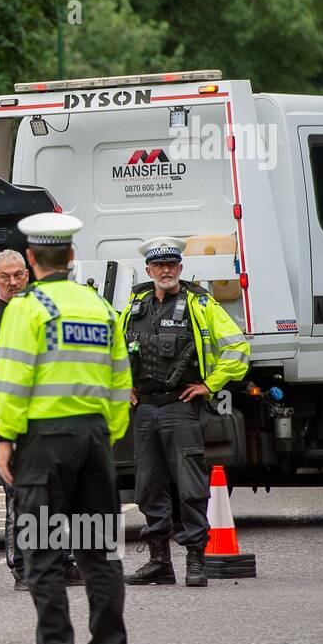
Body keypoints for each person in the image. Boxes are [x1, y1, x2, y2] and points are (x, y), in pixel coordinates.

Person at [0, 213, 131, 644]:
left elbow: (12, 380)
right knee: (100, 553)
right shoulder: (99, 308)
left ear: (31, 261)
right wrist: (106, 436)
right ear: (71, 257)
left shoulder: (26, 309)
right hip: (94, 441)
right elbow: (120, 381)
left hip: (44, 446)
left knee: (43, 551)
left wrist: (5, 439)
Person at [120, 237, 249, 588]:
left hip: (181, 407)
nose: (165, 270)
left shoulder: (199, 304)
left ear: (180, 268)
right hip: (145, 409)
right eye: (158, 265)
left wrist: (210, 383)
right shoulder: (135, 305)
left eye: (171, 265)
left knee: (191, 488)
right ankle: (159, 561)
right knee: (148, 487)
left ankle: (196, 560)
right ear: (148, 270)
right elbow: (116, 351)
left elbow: (237, 347)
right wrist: (123, 386)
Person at [0, 249, 82, 591]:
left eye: (18, 274)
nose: (13, 281)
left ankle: (62, 564)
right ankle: (23, 569)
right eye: (5, 277)